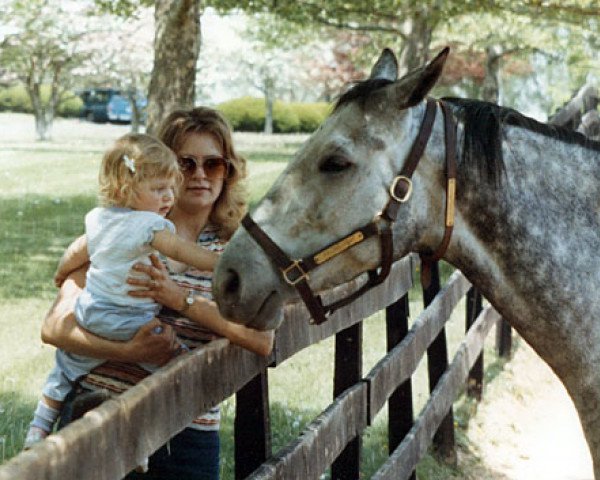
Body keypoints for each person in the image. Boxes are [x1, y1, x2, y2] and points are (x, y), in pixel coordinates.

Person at [40, 107, 274, 480]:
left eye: (213, 164)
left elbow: (261, 339)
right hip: (98, 414)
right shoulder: (120, 230)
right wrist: (128, 351)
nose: (199, 175)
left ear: (227, 173)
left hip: (187, 432)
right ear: (158, 168)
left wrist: (179, 299)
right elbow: (54, 328)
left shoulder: (233, 252)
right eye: (186, 164)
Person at [25, 133, 223, 448]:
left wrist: (61, 273)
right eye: (159, 189)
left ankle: (38, 430)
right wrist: (221, 264)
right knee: (178, 362)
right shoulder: (148, 226)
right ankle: (143, 441)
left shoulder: (99, 219)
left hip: (90, 313)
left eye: (171, 188)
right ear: (124, 189)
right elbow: (182, 251)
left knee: (64, 369)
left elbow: (77, 253)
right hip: (130, 320)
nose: (168, 197)